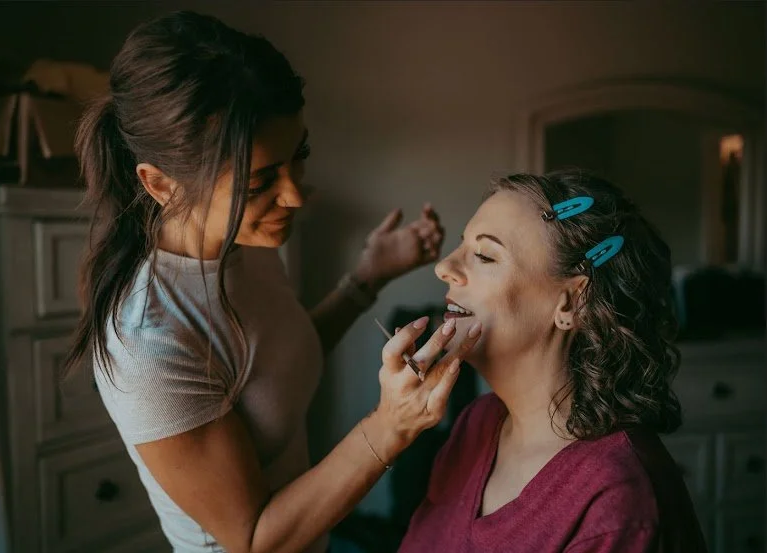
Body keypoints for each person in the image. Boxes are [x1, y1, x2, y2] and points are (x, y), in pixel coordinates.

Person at [62, 10, 483, 553]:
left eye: (297, 156)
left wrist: (366, 277)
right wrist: (391, 427)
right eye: (261, 181)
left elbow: (269, 367)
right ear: (160, 183)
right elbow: (256, 538)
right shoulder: (147, 339)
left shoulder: (245, 244)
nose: (295, 195)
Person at [397, 170, 708, 552]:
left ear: (571, 302)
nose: (443, 267)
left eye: (484, 255)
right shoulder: (477, 424)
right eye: (462, 246)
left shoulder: (616, 499)